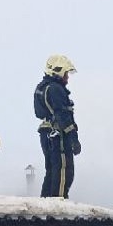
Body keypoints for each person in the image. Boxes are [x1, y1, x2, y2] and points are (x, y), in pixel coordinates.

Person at [33, 54, 79, 198]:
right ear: (58, 71)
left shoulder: (41, 88)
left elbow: (39, 113)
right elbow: (63, 115)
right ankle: (58, 203)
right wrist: (73, 139)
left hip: (46, 133)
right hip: (58, 135)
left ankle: (45, 204)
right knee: (64, 170)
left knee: (52, 170)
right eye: (66, 73)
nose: (67, 77)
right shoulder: (55, 89)